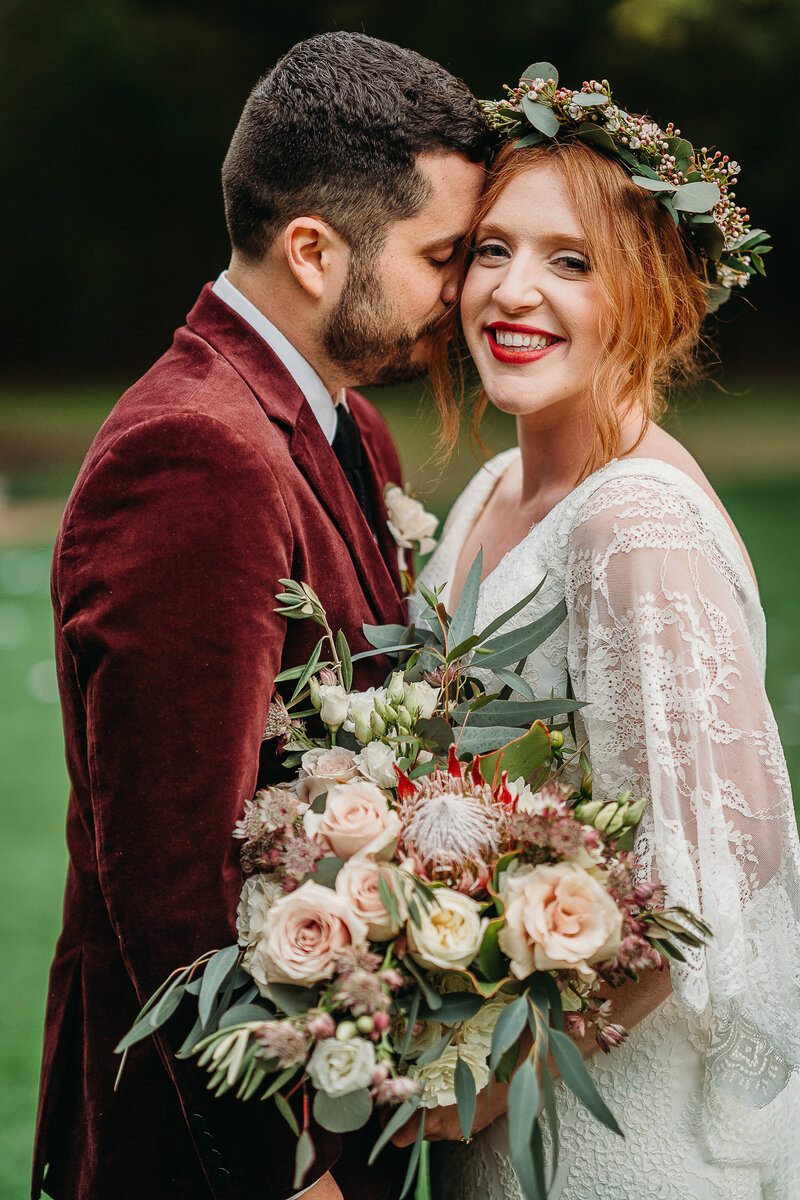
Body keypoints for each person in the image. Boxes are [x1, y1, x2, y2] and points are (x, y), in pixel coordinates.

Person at [33, 31, 488, 1200]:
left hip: (345, 1100)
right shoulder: (193, 453)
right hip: (217, 1149)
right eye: (443, 254)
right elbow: (174, 877)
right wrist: (281, 1169)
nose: (466, 289)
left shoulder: (344, 422)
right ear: (312, 250)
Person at [412, 75, 800, 1198]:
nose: (513, 291)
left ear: (651, 297)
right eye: (491, 250)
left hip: (607, 1129)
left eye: (570, 262)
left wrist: (487, 1085)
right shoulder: (491, 487)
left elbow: (712, 880)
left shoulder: (632, 524)